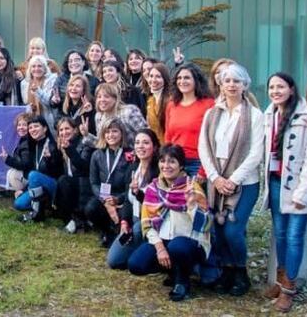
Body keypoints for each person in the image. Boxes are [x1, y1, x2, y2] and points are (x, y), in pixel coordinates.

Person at [198, 62, 265, 296]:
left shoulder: (254, 115)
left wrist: (233, 179)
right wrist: (215, 178)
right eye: (227, 81)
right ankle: (226, 271)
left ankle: (240, 272)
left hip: (244, 184)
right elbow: (204, 147)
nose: (232, 85)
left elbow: (256, 153)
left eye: (237, 81)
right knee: (217, 227)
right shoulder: (212, 113)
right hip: (216, 182)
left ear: (244, 85)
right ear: (221, 84)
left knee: (233, 231)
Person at [261, 72, 307, 312]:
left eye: (280, 87)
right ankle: (280, 278)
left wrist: (303, 194)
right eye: (272, 87)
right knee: (280, 234)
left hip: (298, 187)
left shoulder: (305, 117)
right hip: (276, 182)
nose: (275, 91)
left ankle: (289, 289)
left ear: (291, 89)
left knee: (295, 236)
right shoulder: (271, 115)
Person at [128, 143, 213, 302]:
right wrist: (159, 248)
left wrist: (192, 205)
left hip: (191, 242)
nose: (166, 166)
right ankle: (173, 269)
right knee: (136, 264)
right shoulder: (153, 188)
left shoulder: (192, 188)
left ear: (181, 165)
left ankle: (183, 281)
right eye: (163, 161)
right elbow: (147, 224)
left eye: (172, 161)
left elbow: (206, 224)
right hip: (164, 240)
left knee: (177, 246)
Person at [107, 128, 161, 270]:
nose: (140, 146)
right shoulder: (133, 168)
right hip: (134, 220)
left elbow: (154, 205)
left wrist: (138, 193)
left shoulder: (159, 171)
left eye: (145, 143)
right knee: (114, 261)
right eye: (137, 143)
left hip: (150, 224)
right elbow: (127, 200)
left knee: (134, 261)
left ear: (154, 147)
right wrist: (124, 221)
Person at [1, 115, 63, 222]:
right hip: (40, 188)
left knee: (33, 175)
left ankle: (37, 214)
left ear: (45, 128)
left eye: (36, 126)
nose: (32, 129)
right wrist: (23, 190)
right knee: (18, 204)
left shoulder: (52, 145)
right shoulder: (34, 146)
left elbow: (58, 172)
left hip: (54, 186)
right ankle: (44, 206)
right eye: (30, 128)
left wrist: (49, 160)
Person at [86, 119, 134, 247]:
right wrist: (105, 200)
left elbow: (132, 184)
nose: (110, 135)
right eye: (107, 132)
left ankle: (119, 230)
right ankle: (106, 231)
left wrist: (118, 199)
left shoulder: (130, 154)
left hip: (122, 197)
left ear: (122, 133)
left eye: (114, 131)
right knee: (90, 208)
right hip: (104, 196)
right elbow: (94, 182)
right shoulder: (97, 154)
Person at [165, 63, 215, 178]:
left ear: (196, 80)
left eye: (187, 77)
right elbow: (168, 136)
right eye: (179, 78)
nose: (182, 81)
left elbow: (212, 140)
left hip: (198, 163)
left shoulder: (209, 104)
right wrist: (167, 161)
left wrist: (203, 171)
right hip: (175, 163)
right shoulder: (172, 105)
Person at [53, 116, 93, 234]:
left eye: (67, 129)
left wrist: (69, 150)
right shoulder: (63, 145)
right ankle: (70, 220)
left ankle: (73, 221)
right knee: (61, 181)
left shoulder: (83, 143)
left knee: (63, 180)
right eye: (61, 130)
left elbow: (83, 167)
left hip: (84, 185)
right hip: (71, 186)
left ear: (75, 130)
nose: (64, 132)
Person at [87, 83, 147, 147]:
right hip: (112, 155)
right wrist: (86, 135)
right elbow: (102, 144)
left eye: (106, 96)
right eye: (99, 97)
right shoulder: (99, 117)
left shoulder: (128, 111)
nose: (102, 100)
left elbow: (146, 135)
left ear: (115, 99)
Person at [20, 55, 58, 132]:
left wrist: (38, 90)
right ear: (30, 69)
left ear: (45, 68)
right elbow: (25, 103)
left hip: (49, 122)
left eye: (40, 66)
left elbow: (50, 102)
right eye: (33, 66)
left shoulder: (52, 79)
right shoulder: (24, 83)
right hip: (32, 122)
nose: (36, 69)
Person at [4, 113, 30, 195]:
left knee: (13, 174)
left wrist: (7, 159)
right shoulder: (23, 140)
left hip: (31, 177)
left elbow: (24, 165)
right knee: (11, 172)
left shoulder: (27, 142)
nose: (21, 127)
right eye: (19, 125)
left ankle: (24, 194)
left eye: (24, 125)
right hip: (28, 176)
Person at [145, 63, 171, 140]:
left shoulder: (170, 100)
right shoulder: (150, 100)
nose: (153, 80)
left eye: (158, 77)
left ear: (165, 79)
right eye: (151, 76)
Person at [123, 49, 148, 116]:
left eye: (137, 58)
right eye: (130, 59)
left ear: (143, 61)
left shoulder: (148, 79)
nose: (133, 61)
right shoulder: (125, 80)